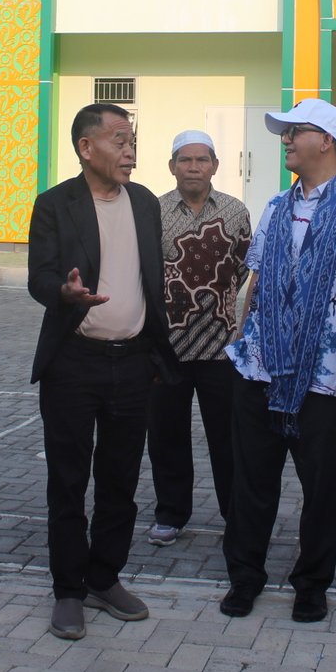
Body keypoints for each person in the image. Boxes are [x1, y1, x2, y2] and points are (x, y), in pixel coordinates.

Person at [221, 97, 336, 624]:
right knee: (251, 485)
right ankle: (245, 577)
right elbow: (257, 281)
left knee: (320, 491)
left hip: (323, 378)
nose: (286, 140)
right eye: (285, 132)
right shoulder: (274, 208)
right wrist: (245, 341)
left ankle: (312, 584)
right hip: (261, 370)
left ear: (328, 141)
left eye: (296, 131)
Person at [27, 103, 175, 640]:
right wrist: (64, 293)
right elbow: (38, 277)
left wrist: (157, 355)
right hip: (74, 364)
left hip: (133, 363)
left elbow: (151, 280)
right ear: (86, 147)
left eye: (132, 138)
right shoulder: (54, 204)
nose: (130, 150)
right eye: (118, 139)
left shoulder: (143, 202)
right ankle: (68, 590)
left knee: (121, 480)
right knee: (68, 481)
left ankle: (104, 577)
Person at [146, 130, 252, 547]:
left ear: (215, 166)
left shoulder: (234, 211)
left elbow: (244, 268)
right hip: (165, 348)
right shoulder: (151, 211)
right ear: (172, 165)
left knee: (228, 438)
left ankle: (236, 515)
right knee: (166, 436)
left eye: (201, 160)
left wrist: (215, 302)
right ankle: (171, 514)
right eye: (185, 160)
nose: (193, 167)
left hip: (220, 349)